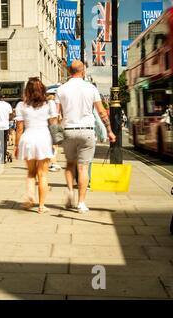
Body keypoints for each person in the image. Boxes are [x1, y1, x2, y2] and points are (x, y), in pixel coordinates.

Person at [55, 60, 116, 214]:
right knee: (83, 168)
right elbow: (102, 112)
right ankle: (81, 203)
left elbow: (56, 115)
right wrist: (109, 130)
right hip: (87, 131)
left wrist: (55, 137)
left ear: (70, 71)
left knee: (70, 164)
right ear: (83, 71)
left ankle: (70, 191)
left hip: (68, 130)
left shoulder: (61, 89)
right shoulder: (91, 88)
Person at [15, 78, 59, 214]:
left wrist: (16, 146)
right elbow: (53, 124)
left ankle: (30, 194)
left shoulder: (21, 105)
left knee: (31, 172)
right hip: (43, 138)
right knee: (43, 175)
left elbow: (19, 128)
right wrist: (55, 141)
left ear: (27, 90)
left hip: (27, 138)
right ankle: (41, 206)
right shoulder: (49, 104)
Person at [47, 94, 62, 172]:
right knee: (54, 146)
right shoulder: (51, 103)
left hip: (52, 126)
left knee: (54, 146)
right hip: (53, 126)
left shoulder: (49, 103)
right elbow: (53, 116)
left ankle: (53, 162)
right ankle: (54, 163)